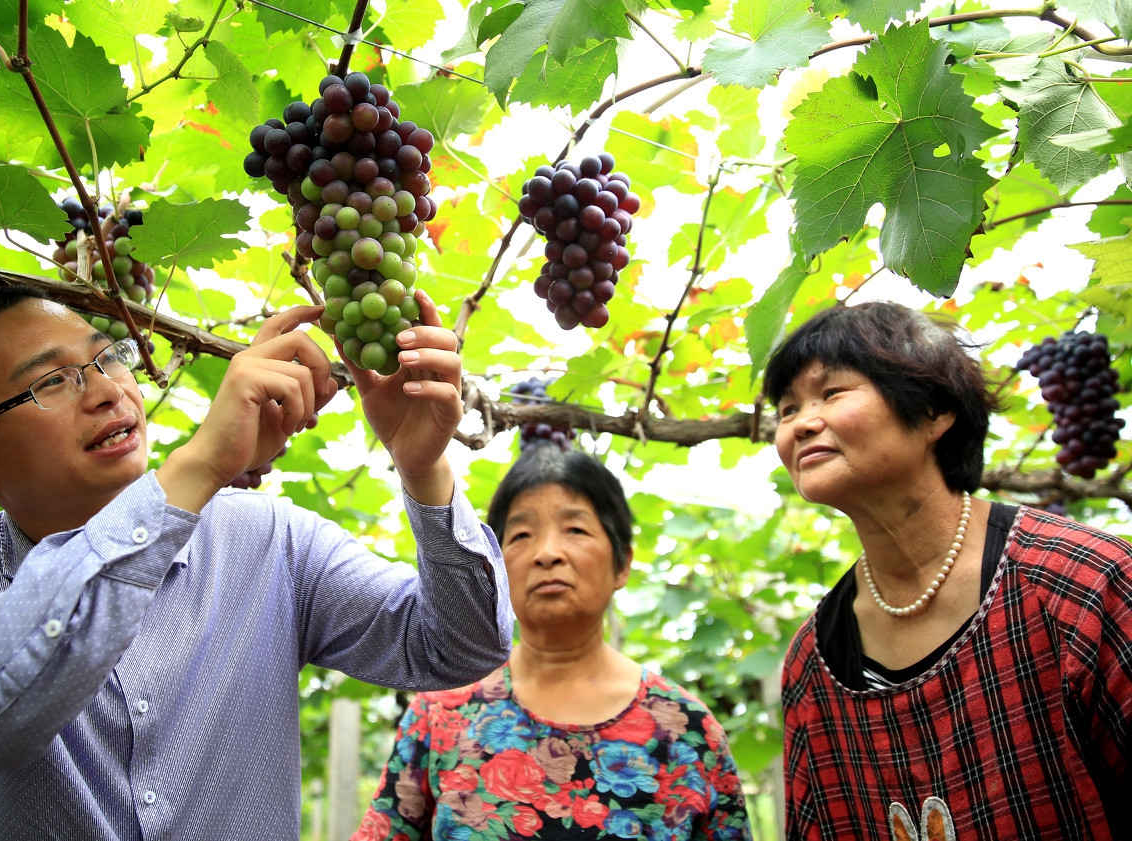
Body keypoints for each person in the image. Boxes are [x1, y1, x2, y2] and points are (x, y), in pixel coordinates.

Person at [0, 284, 512, 840]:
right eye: (51, 382)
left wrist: (423, 468)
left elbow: (460, 647)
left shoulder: (271, 539)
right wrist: (198, 468)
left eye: (105, 359)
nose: (105, 391)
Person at [763, 302, 1132, 840]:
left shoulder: (1083, 584)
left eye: (831, 393)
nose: (800, 424)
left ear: (935, 409)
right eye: (787, 409)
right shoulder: (811, 662)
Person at [353, 446, 752, 841]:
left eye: (575, 529)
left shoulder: (688, 729)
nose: (546, 554)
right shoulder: (438, 714)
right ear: (496, 567)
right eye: (522, 534)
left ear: (623, 562)